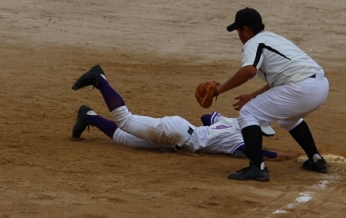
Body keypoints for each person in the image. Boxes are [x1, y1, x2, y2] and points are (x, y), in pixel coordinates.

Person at [70, 64, 301, 161]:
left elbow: (206, 117)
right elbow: (257, 153)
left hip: (177, 136)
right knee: (125, 120)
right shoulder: (241, 140)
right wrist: (286, 156)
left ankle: (88, 115)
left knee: (124, 137)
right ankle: (100, 79)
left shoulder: (232, 121)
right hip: (175, 134)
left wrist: (214, 130)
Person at [211, 7, 330, 182]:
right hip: (320, 86)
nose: (239, 35)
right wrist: (253, 96)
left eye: (238, 30)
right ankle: (316, 159)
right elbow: (281, 79)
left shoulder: (253, 43)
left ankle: (257, 167)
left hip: (301, 88)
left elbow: (249, 70)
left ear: (246, 30)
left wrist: (219, 89)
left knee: (248, 113)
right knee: (288, 119)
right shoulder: (273, 38)